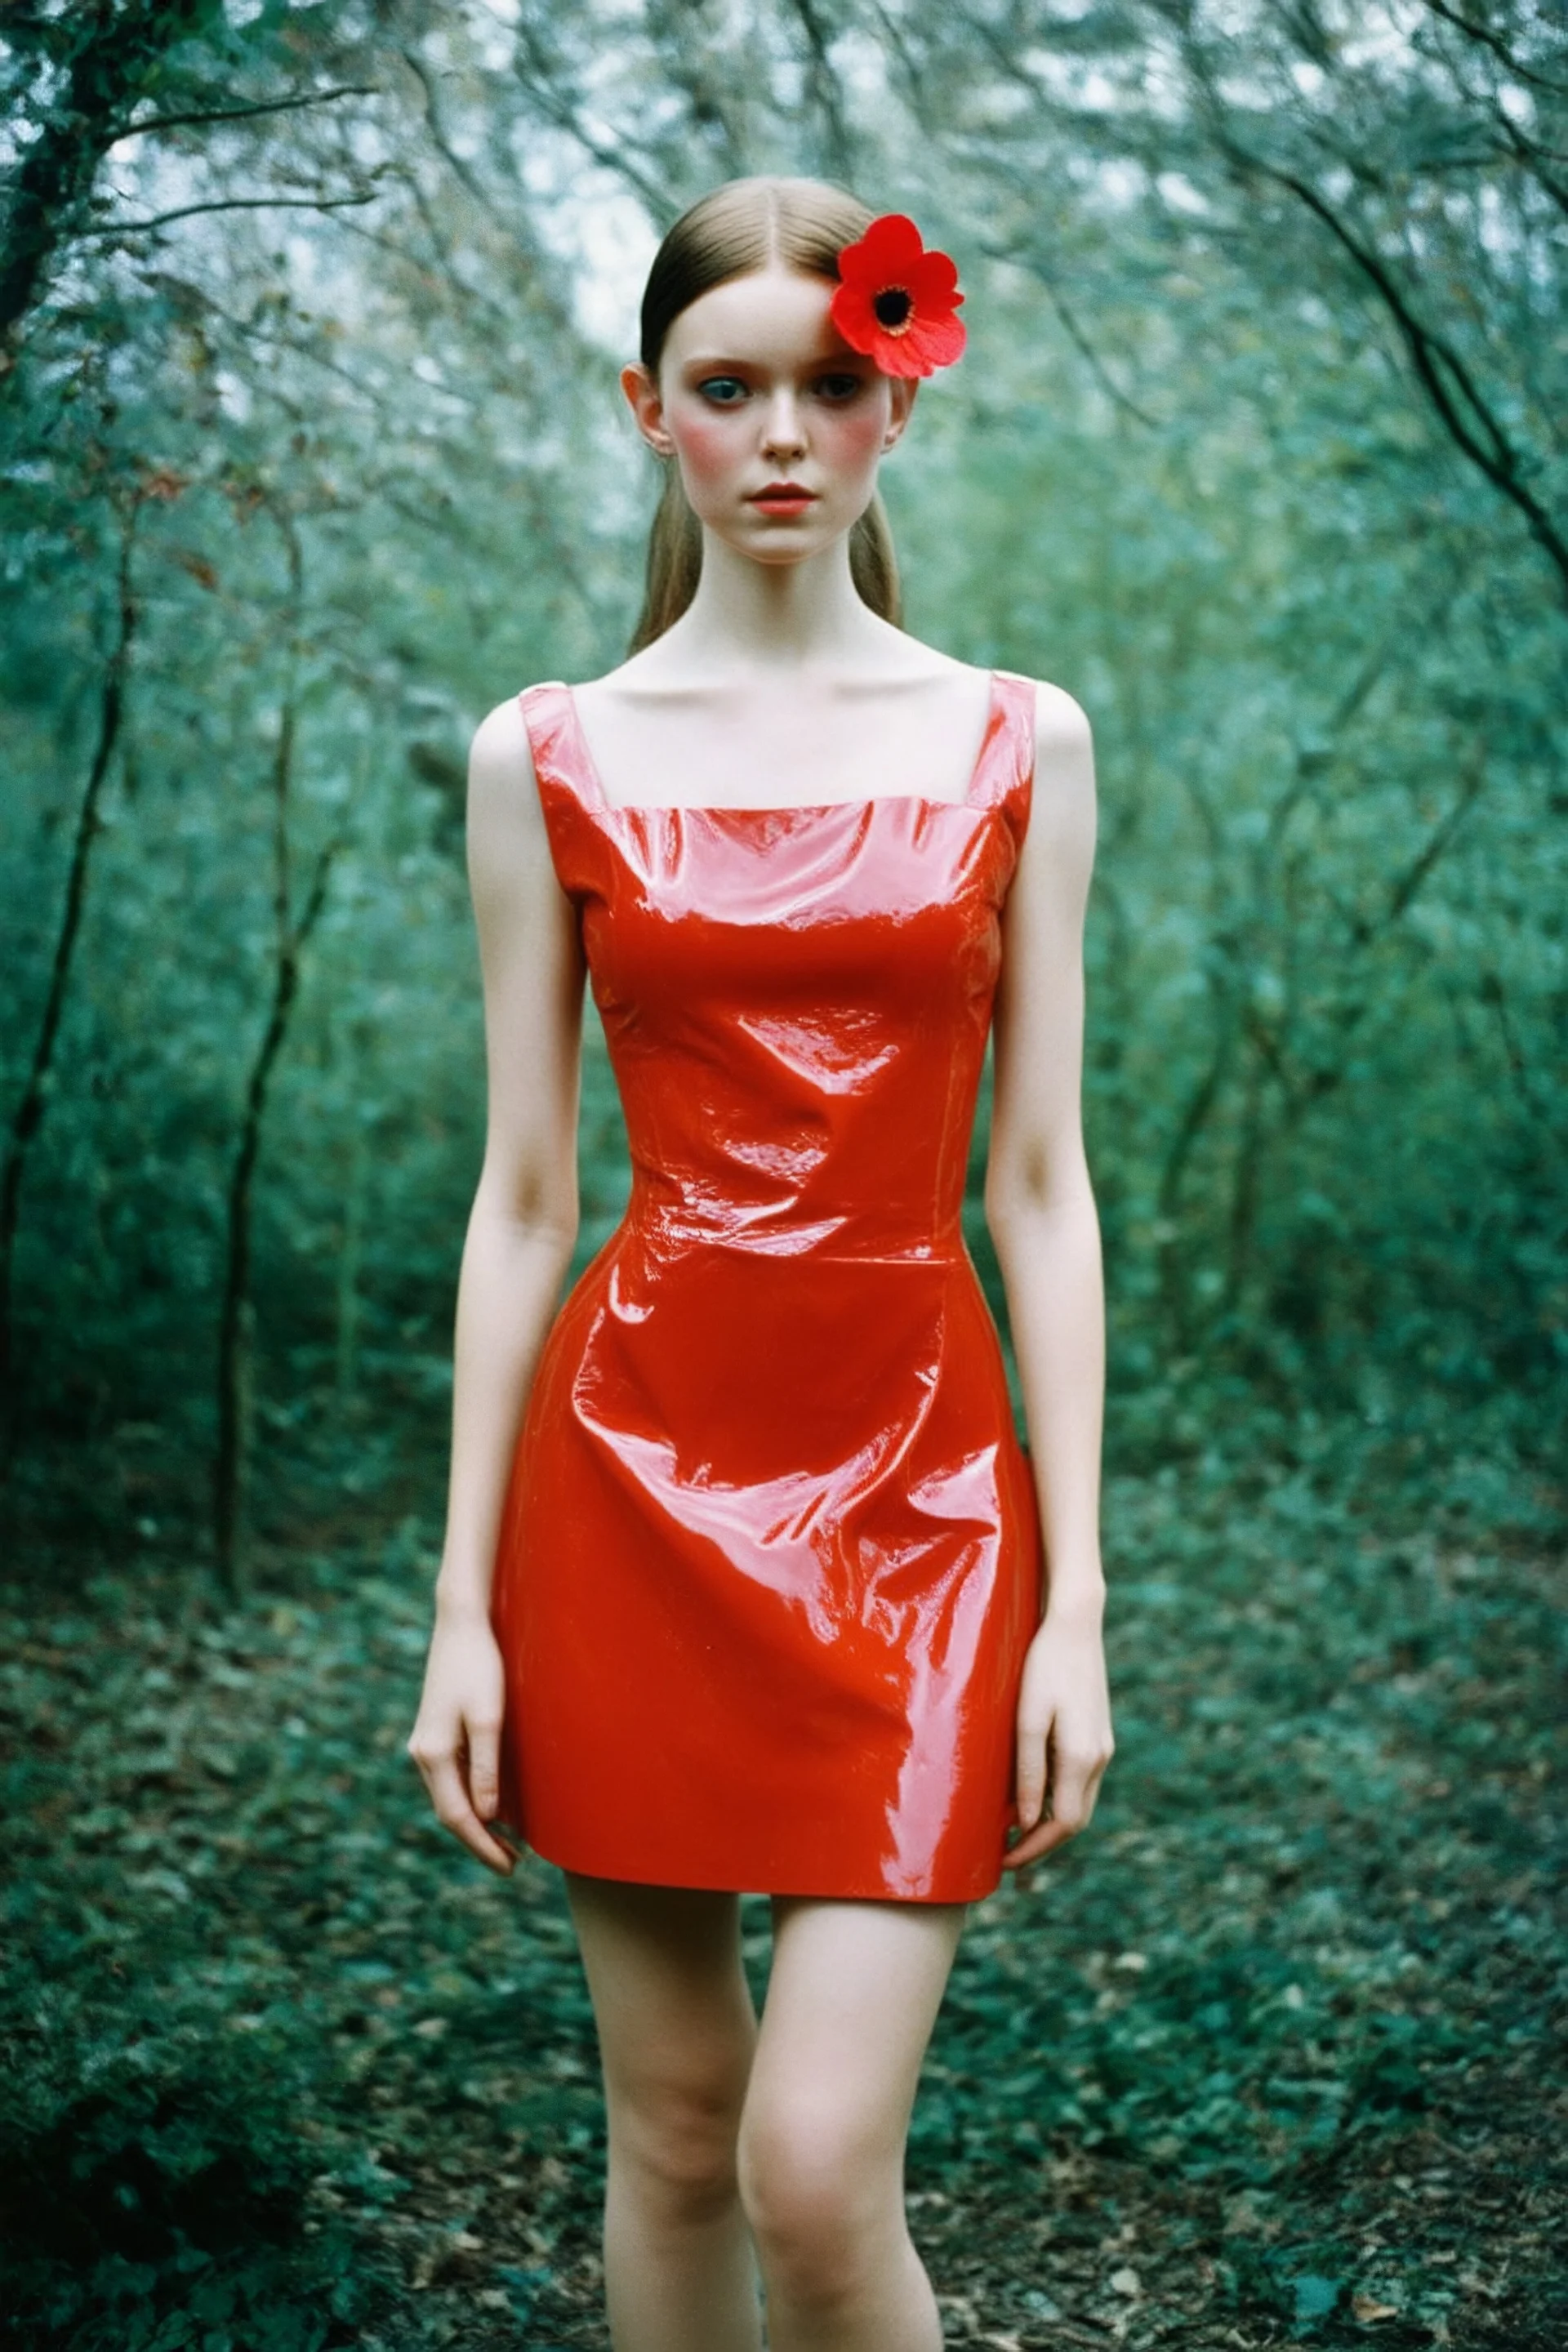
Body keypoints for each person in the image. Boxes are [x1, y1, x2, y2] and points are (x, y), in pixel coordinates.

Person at [407, 176, 1113, 2352]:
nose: (785, 433)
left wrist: (1077, 1597)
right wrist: (458, 1614)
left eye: (833, 384)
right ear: (654, 414)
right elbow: (527, 1196)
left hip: (919, 1489)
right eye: (732, 390)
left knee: (817, 2170)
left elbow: (1041, 1186)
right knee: (678, 2127)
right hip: (624, 1483)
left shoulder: (1022, 736)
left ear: (896, 403)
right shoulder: (545, 754)